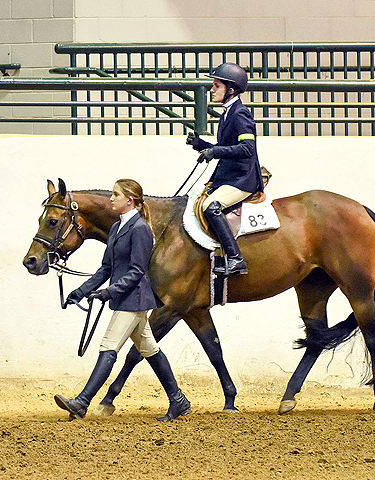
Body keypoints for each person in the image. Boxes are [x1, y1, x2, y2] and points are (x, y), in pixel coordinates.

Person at [55, 179, 191, 422]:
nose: (111, 199)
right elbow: (106, 267)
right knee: (150, 349)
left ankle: (82, 402)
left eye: (116, 195)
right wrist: (82, 291)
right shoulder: (118, 228)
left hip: (134, 298)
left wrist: (111, 292)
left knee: (109, 347)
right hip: (126, 298)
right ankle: (178, 400)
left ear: (129, 201)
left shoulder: (140, 229)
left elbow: (138, 271)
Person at [186, 62, 264, 276]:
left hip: (242, 179)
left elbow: (247, 148)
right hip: (229, 176)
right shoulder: (228, 113)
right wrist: (202, 146)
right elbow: (225, 148)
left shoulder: (240, 114)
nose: (212, 89)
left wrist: (215, 152)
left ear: (230, 89)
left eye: (216, 85)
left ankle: (236, 258)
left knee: (211, 206)